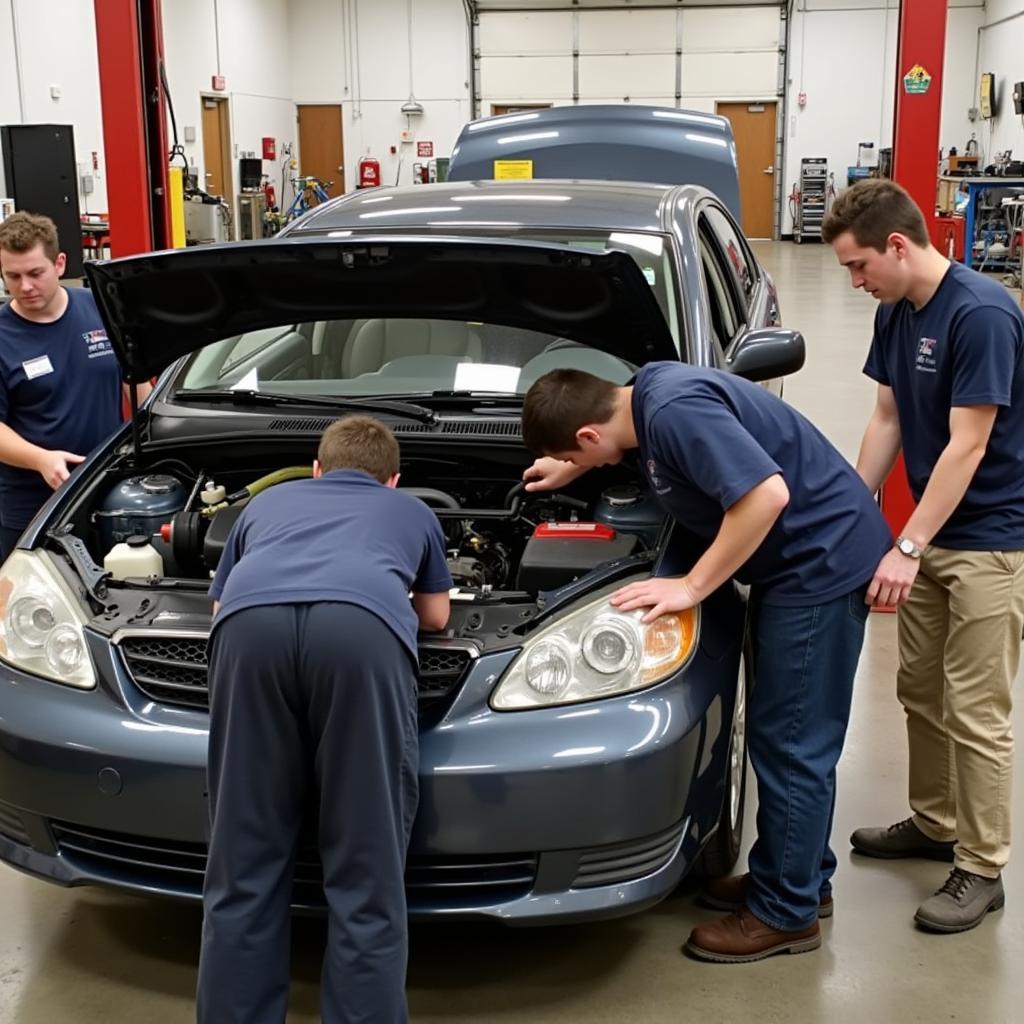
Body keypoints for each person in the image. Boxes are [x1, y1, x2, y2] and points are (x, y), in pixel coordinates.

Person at [521, 363, 891, 963]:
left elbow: (766, 496)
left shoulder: (673, 413)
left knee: (793, 742)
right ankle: (797, 876)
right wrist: (575, 461)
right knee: (786, 737)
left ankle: (786, 915)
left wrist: (690, 587)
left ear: (590, 434)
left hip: (818, 567)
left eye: (580, 450)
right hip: (796, 562)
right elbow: (641, 450)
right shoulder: (642, 396)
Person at [196, 415, 452, 1024]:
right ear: (392, 480)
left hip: (248, 629)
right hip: (358, 633)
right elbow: (437, 616)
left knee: (243, 855)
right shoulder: (414, 512)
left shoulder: (266, 504)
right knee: (366, 860)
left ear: (317, 468)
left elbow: (217, 603)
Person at [823, 178, 1024, 934]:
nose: (853, 281)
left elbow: (969, 444)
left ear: (897, 246)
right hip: (932, 537)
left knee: (976, 709)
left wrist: (907, 543)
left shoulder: (981, 314)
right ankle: (936, 821)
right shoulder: (897, 310)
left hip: (989, 541)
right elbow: (887, 417)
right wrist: (848, 510)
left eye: (857, 266)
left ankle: (981, 864)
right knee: (918, 689)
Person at [0, 211, 150, 561]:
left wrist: (154, 428)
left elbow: (136, 381)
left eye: (35, 273)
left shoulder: (99, 308)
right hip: (33, 504)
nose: (25, 287)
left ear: (60, 263)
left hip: (105, 485)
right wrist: (40, 459)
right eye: (12, 276)